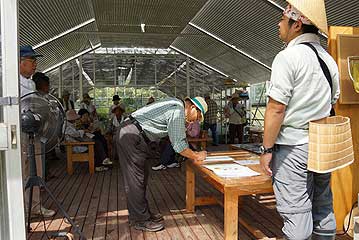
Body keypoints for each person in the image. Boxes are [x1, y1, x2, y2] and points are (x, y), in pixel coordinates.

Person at [260, 2, 340, 239]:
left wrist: (266, 149)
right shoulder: (329, 60)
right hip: (322, 145)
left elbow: (276, 108)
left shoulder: (288, 57)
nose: (278, 24)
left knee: (296, 211)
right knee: (323, 204)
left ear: (296, 25)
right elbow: (332, 100)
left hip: (293, 146)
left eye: (282, 20)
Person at [116, 96, 208, 232]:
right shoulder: (177, 110)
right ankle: (139, 219)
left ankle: (142, 213)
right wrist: (196, 155)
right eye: (198, 116)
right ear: (193, 108)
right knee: (135, 180)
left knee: (141, 177)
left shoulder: (175, 103)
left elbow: (177, 138)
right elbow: (179, 145)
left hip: (133, 133)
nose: (196, 120)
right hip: (131, 135)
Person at [19, 45, 56, 218]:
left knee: (36, 170)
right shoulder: (9, 81)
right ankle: (21, 210)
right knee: (21, 171)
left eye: (35, 61)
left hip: (35, 131)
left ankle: (35, 206)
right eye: (31, 61)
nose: (35, 64)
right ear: (20, 62)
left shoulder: (31, 83)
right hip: (19, 132)